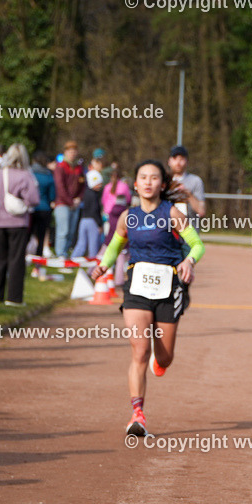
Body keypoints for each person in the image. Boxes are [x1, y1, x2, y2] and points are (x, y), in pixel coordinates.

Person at [89, 160, 206, 437]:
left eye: (154, 178)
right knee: (139, 351)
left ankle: (160, 360)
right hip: (137, 290)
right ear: (136, 184)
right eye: (143, 177)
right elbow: (115, 246)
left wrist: (189, 261)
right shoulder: (128, 217)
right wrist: (103, 265)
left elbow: (198, 245)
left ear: (162, 184)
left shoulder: (173, 213)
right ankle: (137, 414)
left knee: (164, 359)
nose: (148, 182)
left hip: (168, 290)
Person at [0, 144, 40, 306]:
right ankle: (13, 298)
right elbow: (34, 199)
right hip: (18, 222)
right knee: (16, 260)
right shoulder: (25, 176)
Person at [53, 141, 84, 257]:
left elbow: (83, 185)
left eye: (74, 151)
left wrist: (78, 199)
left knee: (71, 232)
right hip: (62, 203)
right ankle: (60, 254)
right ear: (65, 152)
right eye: (70, 151)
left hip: (75, 203)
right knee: (63, 231)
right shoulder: (61, 167)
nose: (72, 154)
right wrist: (70, 202)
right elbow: (60, 187)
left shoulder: (78, 168)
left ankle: (65, 253)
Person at [166, 145, 207, 223]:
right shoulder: (162, 181)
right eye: (175, 159)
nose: (178, 163)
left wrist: (187, 194)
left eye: (181, 159)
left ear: (187, 161)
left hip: (190, 228)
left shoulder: (195, 181)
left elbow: (201, 211)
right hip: (167, 230)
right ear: (169, 161)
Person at [29, 151, 56, 258]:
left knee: (27, 234)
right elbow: (52, 195)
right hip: (44, 208)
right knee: (41, 236)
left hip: (31, 208)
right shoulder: (48, 175)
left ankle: (25, 257)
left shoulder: (29, 173)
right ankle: (38, 261)